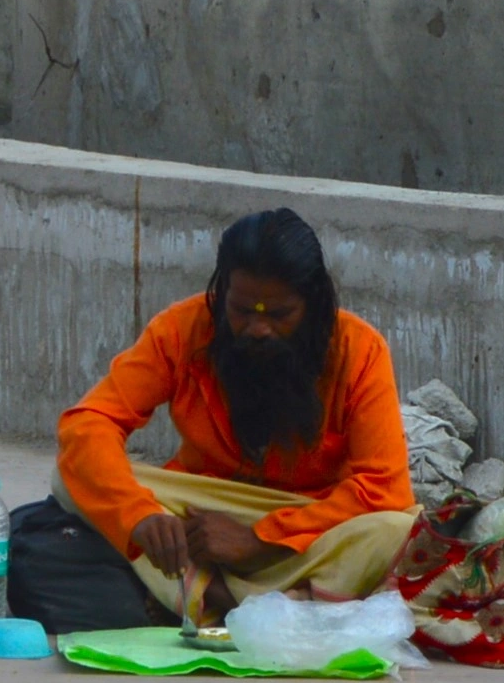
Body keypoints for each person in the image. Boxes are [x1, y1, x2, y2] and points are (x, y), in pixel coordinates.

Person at [36, 208, 417, 625]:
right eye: (241, 310)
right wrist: (139, 516)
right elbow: (90, 422)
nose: (257, 328)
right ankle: (283, 606)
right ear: (221, 295)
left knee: (393, 528)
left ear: (313, 304)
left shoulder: (360, 350)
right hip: (200, 515)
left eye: (278, 314)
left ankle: (214, 598)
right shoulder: (181, 330)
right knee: (72, 477)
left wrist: (260, 539)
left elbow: (383, 486)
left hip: (309, 521)